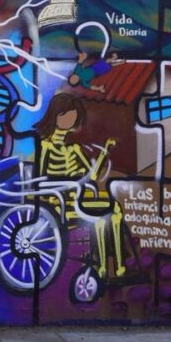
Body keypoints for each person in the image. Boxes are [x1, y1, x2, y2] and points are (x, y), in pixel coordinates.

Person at [35, 93, 125, 278]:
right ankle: (101, 268)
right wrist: (62, 188)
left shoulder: (74, 149)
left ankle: (118, 266)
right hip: (58, 203)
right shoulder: (45, 147)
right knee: (101, 217)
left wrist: (105, 152)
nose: (69, 120)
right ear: (54, 115)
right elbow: (40, 179)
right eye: (65, 115)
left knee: (114, 210)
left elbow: (93, 176)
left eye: (73, 116)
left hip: (78, 198)